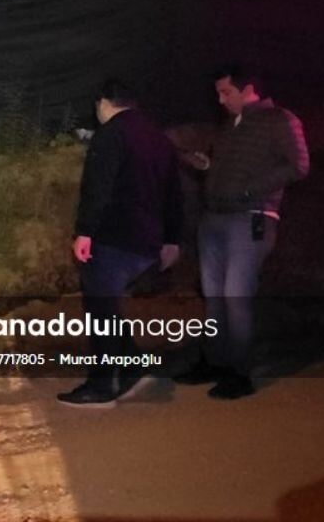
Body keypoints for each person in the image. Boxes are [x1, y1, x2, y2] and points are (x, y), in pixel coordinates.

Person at [175, 64, 309, 399]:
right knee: (215, 298)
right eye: (218, 93)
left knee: (236, 296)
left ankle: (239, 372)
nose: (220, 100)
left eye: (226, 92)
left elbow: (298, 165)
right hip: (215, 218)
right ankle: (215, 361)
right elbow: (227, 170)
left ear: (248, 89)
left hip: (251, 218)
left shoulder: (279, 119)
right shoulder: (230, 126)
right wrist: (207, 166)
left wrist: (250, 191)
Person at [58, 79, 184, 408]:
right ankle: (134, 365)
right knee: (106, 306)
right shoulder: (159, 139)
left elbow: (97, 186)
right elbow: (174, 193)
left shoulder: (111, 134)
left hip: (113, 236)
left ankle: (102, 385)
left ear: (104, 102)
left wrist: (85, 231)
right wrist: (172, 238)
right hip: (147, 240)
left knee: (100, 310)